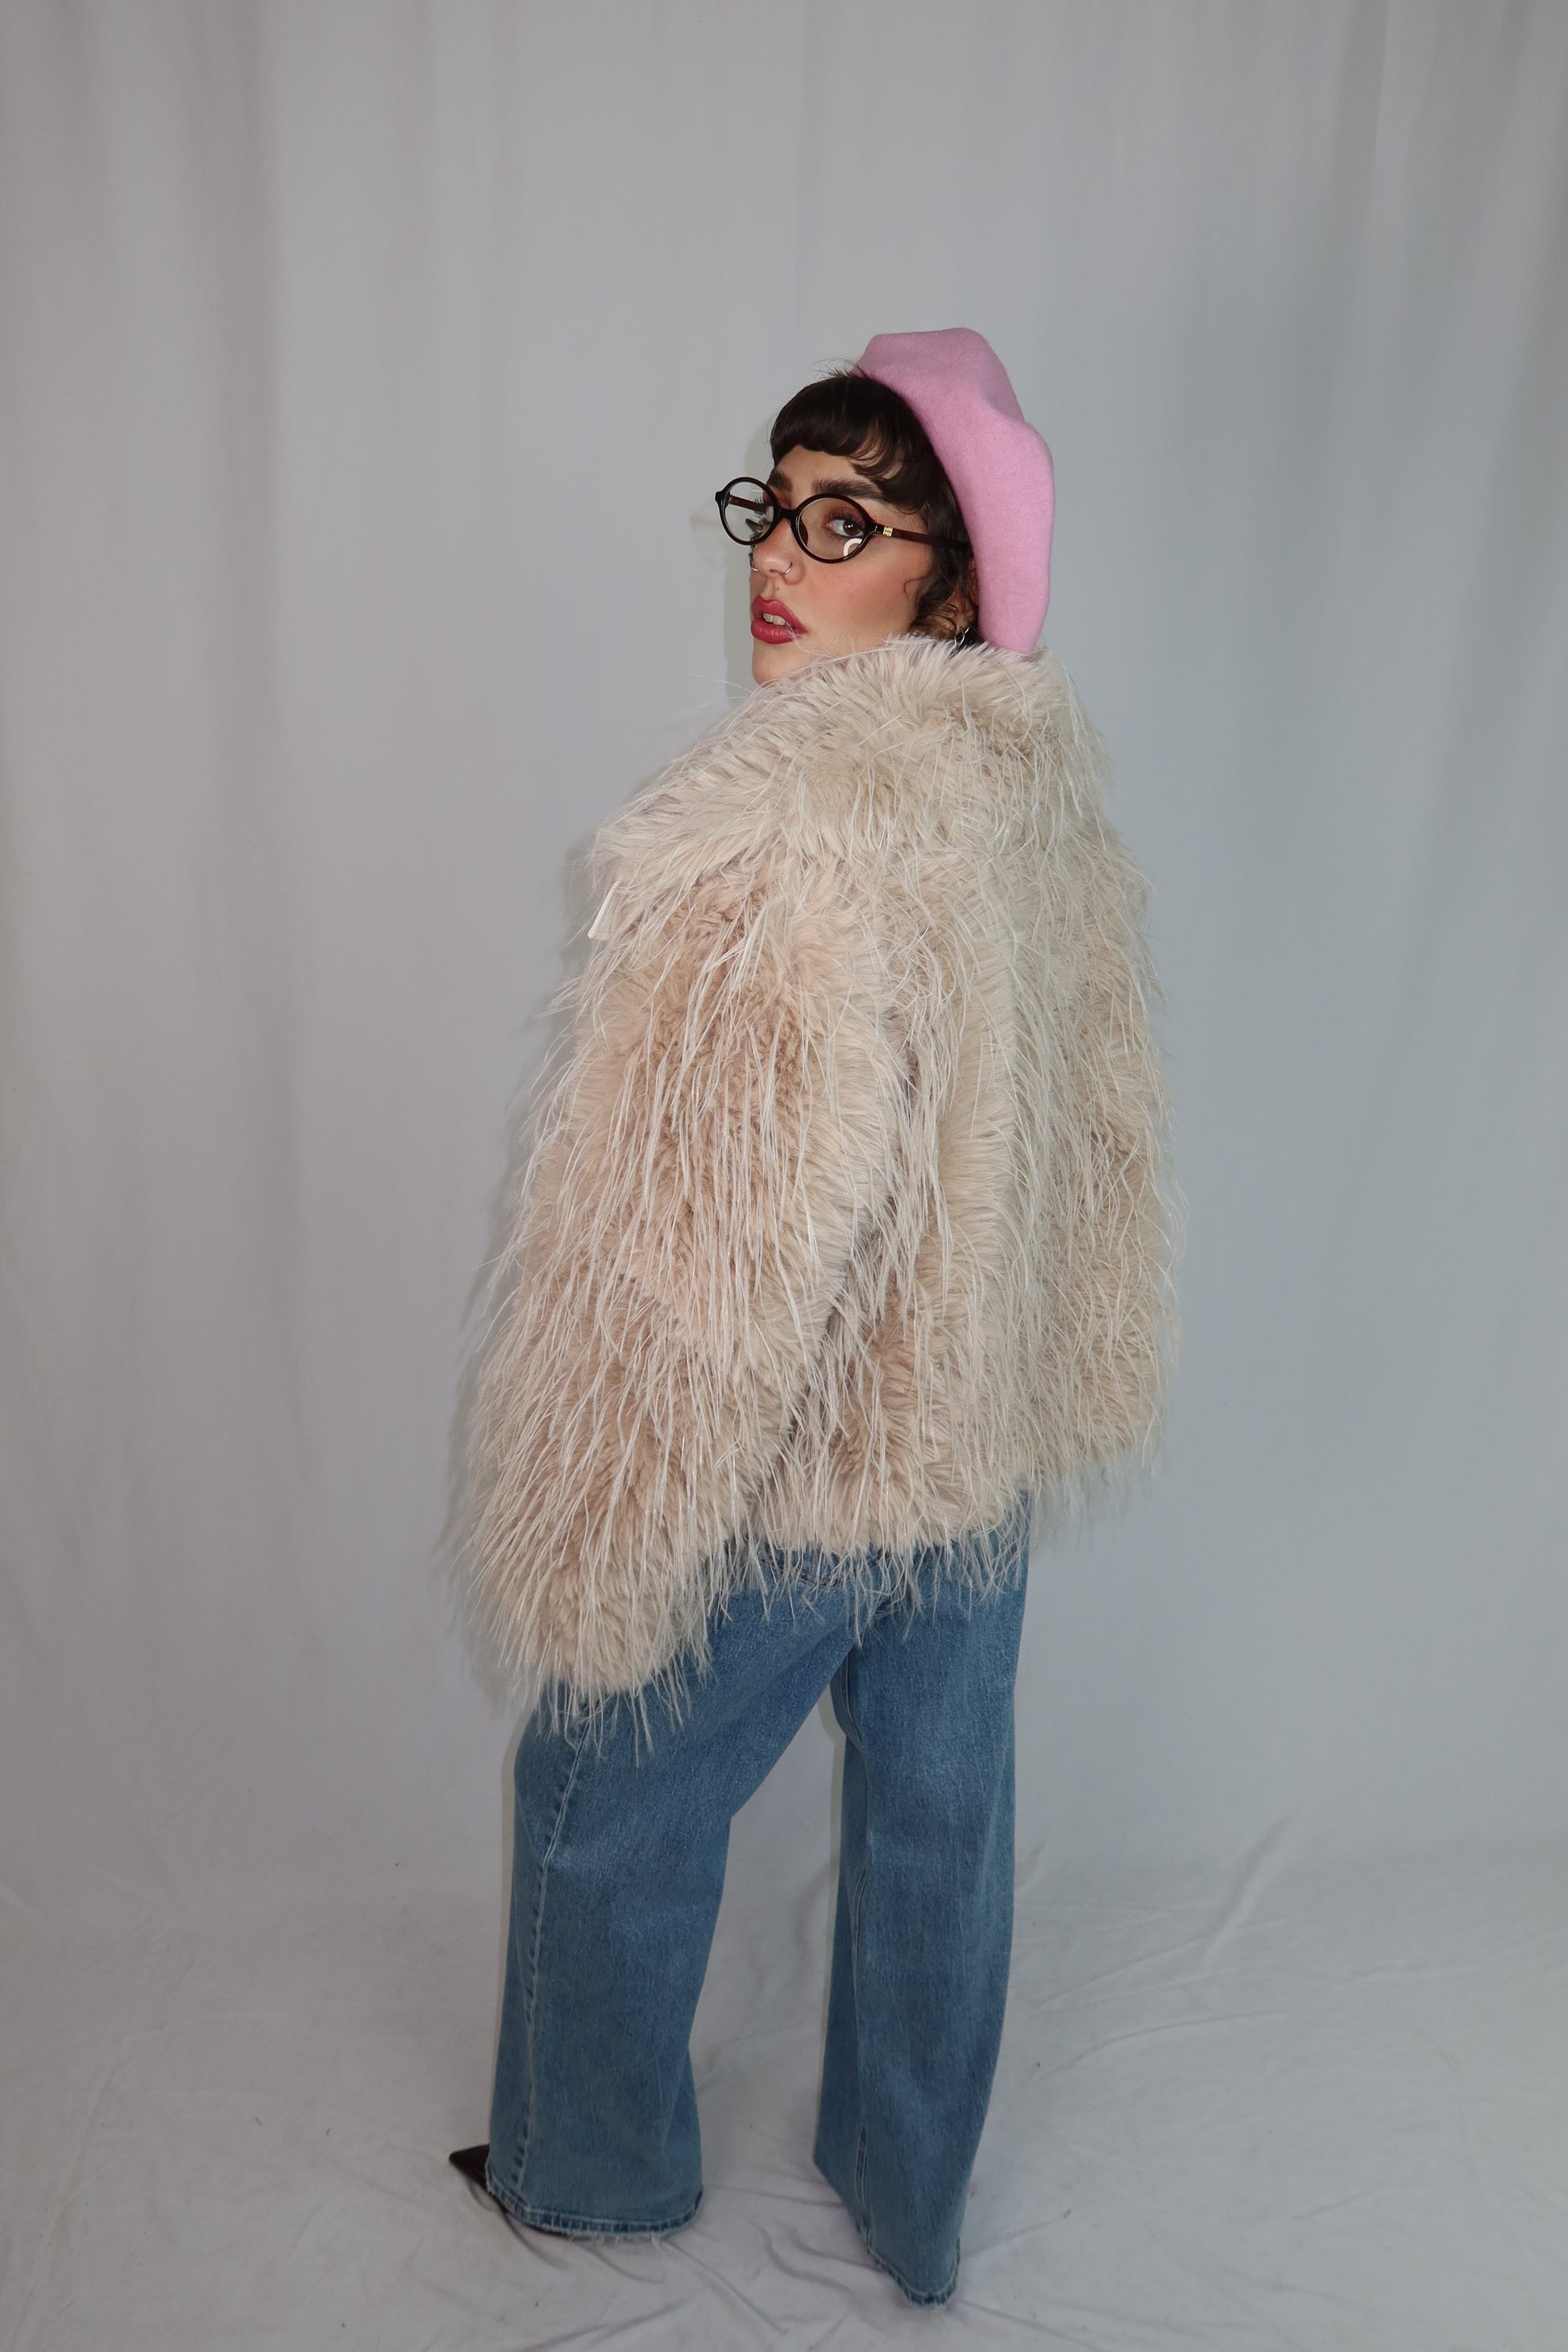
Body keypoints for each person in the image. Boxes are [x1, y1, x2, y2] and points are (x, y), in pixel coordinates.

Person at [448, 328, 1180, 2308]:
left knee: (600, 1786)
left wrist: (626, 1492)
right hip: (978, 1431)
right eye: (773, 509)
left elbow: (717, 1232)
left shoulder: (776, 830)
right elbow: (1090, 1124)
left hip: (812, 1448)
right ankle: (908, 2194)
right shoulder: (1027, 794)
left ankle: (588, 2168)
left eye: (843, 523)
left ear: (944, 583)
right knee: (940, 1815)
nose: (776, 556)